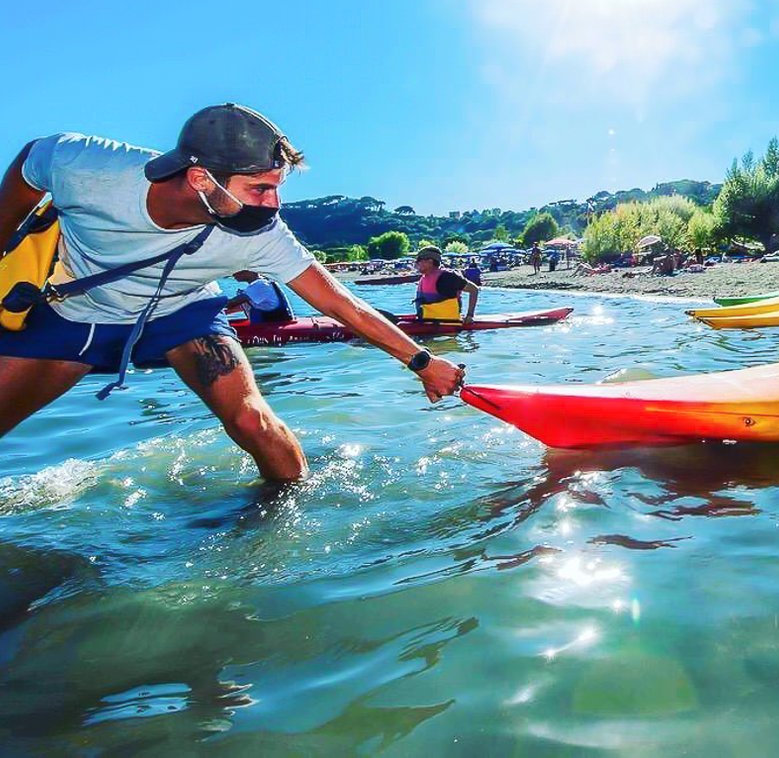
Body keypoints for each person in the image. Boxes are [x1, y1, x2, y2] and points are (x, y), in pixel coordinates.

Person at [0, 104, 465, 482]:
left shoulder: (264, 233)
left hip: (183, 312)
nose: (274, 204)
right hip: (76, 312)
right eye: (260, 189)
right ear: (201, 178)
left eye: (277, 188)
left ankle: (284, 519)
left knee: (250, 421)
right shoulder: (83, 165)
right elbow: (28, 165)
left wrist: (424, 363)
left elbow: (338, 301)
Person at [414, 246, 478, 324]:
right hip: (427, 323)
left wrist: (470, 315)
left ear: (430, 261)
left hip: (447, 328)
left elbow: (474, 289)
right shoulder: (423, 278)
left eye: (418, 260)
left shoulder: (447, 277)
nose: (416, 264)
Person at [225, 269, 294, 323]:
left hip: (273, 325)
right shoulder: (263, 282)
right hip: (268, 322)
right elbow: (244, 305)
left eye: (237, 270)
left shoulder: (260, 285)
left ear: (250, 271)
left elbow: (231, 303)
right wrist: (222, 313)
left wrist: (215, 302)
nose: (233, 274)